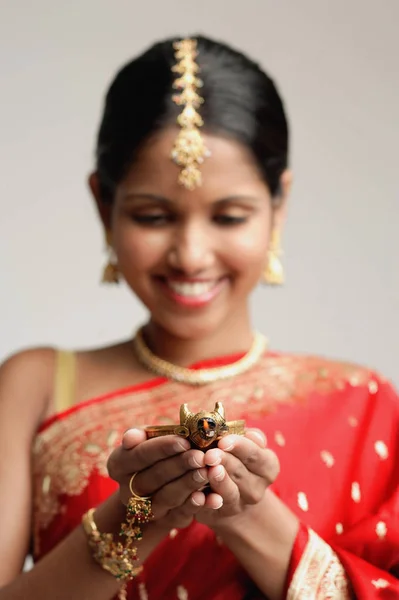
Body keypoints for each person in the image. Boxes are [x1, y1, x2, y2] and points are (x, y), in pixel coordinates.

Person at [0, 34, 398, 600]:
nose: (190, 254)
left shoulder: (364, 407)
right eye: (153, 215)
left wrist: (246, 515)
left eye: (230, 217)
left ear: (277, 205)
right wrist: (138, 514)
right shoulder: (34, 387)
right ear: (102, 205)